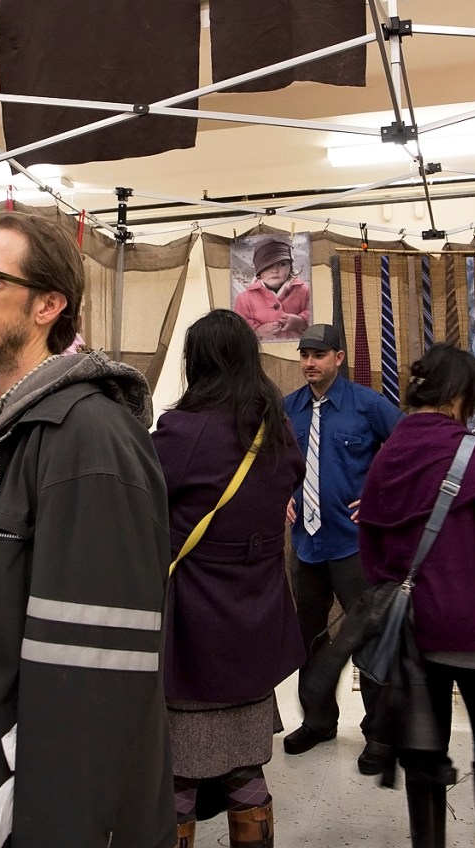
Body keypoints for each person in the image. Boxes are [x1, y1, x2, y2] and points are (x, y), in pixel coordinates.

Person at [0, 211, 176, 848]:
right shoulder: (23, 429)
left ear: (48, 305)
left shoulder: (87, 441)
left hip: (29, 809)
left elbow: (94, 672)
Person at [358, 343, 475, 848]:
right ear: (458, 397)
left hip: (415, 634)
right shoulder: (471, 453)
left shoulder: (388, 454)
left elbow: (370, 545)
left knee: (423, 750)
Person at [151, 308, 306, 848]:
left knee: (176, 770)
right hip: (256, 617)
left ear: (198, 362)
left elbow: (143, 497)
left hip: (195, 624)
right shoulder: (277, 429)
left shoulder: (185, 430)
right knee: (245, 767)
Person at [283, 322, 403, 766]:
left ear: (338, 357)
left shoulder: (368, 405)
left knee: (367, 638)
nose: (308, 363)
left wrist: (378, 492)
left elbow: (406, 447)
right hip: (307, 546)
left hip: (354, 546)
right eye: (303, 355)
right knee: (309, 638)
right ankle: (317, 722)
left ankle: (380, 735)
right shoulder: (288, 408)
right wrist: (281, 497)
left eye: (317, 355)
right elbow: (272, 460)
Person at [233, 235, 310, 341]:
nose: (275, 270)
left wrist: (301, 321)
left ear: (290, 266)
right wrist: (257, 330)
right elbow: (238, 325)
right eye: (268, 265)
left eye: (282, 264)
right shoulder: (245, 298)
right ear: (258, 269)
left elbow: (316, 313)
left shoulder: (304, 291)